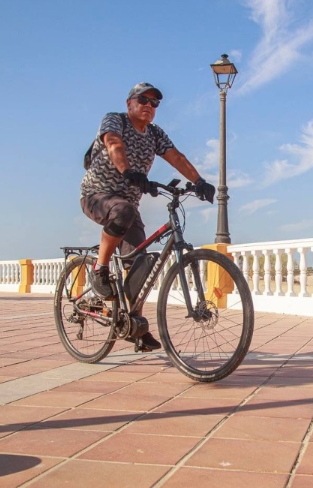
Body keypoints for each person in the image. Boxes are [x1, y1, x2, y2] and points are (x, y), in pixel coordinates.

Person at [80, 82, 215, 351]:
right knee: (123, 210)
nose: (149, 106)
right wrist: (128, 171)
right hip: (97, 194)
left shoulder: (154, 133)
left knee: (140, 264)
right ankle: (100, 269)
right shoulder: (115, 120)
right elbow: (114, 143)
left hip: (128, 204)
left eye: (155, 103)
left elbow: (176, 157)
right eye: (143, 100)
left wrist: (199, 181)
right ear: (129, 103)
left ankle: (135, 326)